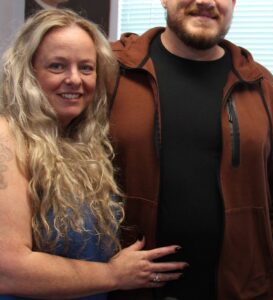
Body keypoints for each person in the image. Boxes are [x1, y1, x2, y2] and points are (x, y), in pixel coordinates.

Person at [108, 0, 273, 299]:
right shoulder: (113, 71)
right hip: (129, 292)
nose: (205, 1)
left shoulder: (261, 88)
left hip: (241, 291)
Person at [0, 9, 187, 299]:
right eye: (57, 66)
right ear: (29, 71)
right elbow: (8, 270)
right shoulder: (7, 136)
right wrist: (114, 275)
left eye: (86, 68)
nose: (74, 79)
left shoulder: (82, 142)